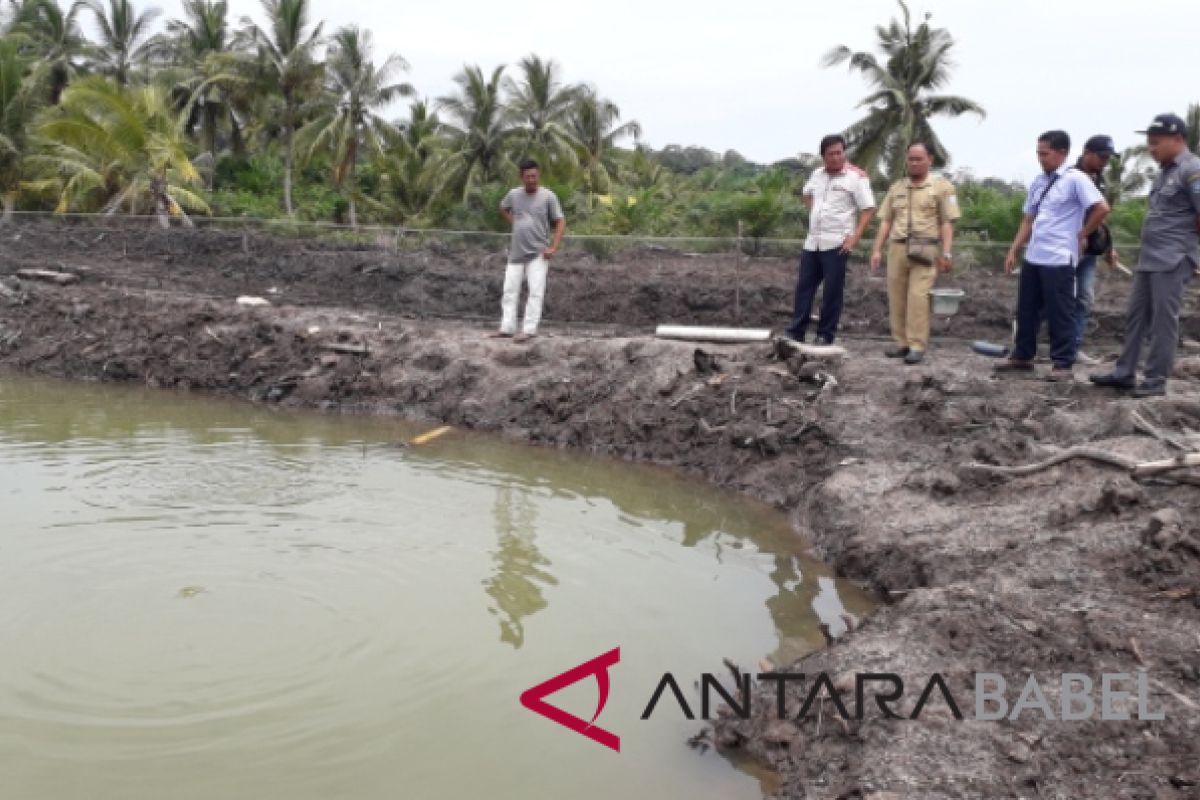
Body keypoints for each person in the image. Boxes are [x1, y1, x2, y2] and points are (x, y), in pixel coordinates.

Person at [1091, 113, 1200, 397]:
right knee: (1136, 317)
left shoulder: (1192, 169)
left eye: (1156, 142)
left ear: (1177, 139)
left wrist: (1190, 252)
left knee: (1164, 322)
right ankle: (1124, 372)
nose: (1151, 149)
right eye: (1149, 143)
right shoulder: (1164, 172)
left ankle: (1155, 380)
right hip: (1150, 258)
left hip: (1173, 259)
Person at [995, 131, 1110, 380]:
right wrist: (1014, 248)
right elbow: (1029, 218)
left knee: (1061, 311)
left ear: (1062, 153)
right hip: (1035, 255)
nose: (1040, 158)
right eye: (1038, 153)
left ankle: (1062, 364)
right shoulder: (1039, 182)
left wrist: (1083, 233)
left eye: (1045, 154)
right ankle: (1022, 356)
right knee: (1027, 308)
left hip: (1059, 257)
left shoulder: (1076, 180)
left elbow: (1101, 208)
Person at [869, 142, 961, 364]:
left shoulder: (942, 187)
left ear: (930, 159)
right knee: (897, 297)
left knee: (918, 298)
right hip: (898, 248)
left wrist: (946, 253)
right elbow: (886, 221)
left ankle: (917, 345)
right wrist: (877, 249)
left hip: (926, 249)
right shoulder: (897, 188)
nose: (914, 163)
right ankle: (901, 343)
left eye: (919, 158)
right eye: (911, 158)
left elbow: (947, 223)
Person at [785, 134, 875, 345]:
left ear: (844, 153)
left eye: (839, 153)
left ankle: (825, 334)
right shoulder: (817, 174)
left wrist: (854, 238)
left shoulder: (856, 177)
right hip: (813, 242)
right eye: (831, 154)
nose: (836, 157)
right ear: (823, 156)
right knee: (804, 287)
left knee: (832, 291)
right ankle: (796, 331)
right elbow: (806, 194)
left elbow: (868, 209)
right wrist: (815, 212)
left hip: (837, 244)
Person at [493, 159, 566, 342]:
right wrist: (515, 221)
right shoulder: (514, 195)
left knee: (535, 291)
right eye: (528, 176)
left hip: (539, 252)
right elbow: (503, 208)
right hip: (516, 252)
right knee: (509, 289)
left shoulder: (548, 196)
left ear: (538, 175)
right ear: (521, 177)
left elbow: (560, 221)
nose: (532, 180)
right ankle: (507, 327)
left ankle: (529, 329)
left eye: (534, 176)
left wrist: (554, 247)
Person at [1070, 135, 1123, 365]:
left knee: (1083, 299)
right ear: (1086, 152)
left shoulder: (1099, 180)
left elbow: (1100, 218)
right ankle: (1025, 335)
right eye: (1102, 156)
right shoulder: (1070, 178)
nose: (1105, 161)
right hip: (1068, 249)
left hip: (1089, 253)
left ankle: (1072, 347)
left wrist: (1109, 247)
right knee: (1056, 297)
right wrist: (1078, 235)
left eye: (1108, 158)